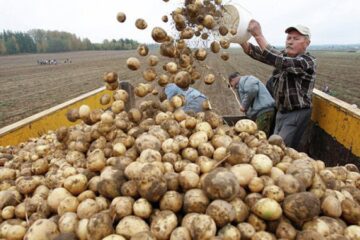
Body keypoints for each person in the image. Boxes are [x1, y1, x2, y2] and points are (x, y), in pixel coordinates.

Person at [238, 20, 317, 149]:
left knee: (281, 149)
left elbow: (280, 61)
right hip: (281, 112)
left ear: (307, 43)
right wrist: (240, 39)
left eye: (296, 38)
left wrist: (259, 36)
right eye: (288, 38)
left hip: (296, 114)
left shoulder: (308, 61)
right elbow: (262, 54)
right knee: (273, 146)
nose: (290, 41)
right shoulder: (284, 56)